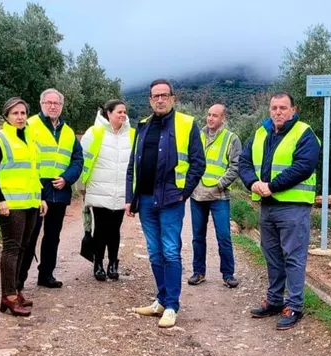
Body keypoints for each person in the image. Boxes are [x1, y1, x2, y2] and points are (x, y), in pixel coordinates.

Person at [125, 79, 206, 328]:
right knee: (154, 251)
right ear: (150, 100)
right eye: (155, 96)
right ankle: (160, 300)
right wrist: (130, 198)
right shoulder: (142, 126)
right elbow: (133, 166)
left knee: (170, 250)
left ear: (173, 98)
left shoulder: (186, 123)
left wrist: (184, 192)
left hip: (171, 199)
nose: (159, 99)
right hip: (146, 199)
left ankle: (172, 305)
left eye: (164, 95)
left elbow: (198, 162)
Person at [238, 91, 321, 330]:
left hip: (293, 207)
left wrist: (272, 186)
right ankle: (274, 301)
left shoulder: (304, 133)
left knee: (293, 257)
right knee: (272, 256)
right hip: (268, 207)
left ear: (293, 110)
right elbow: (244, 162)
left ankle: (294, 305)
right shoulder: (261, 132)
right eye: (274, 108)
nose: (278, 112)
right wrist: (252, 182)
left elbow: (303, 166)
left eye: (283, 108)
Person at [0, 97, 48, 317]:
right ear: (6, 116)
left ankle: (16, 291)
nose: (20, 117)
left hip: (30, 201)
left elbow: (33, 172)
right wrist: (0, 200)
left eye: (23, 113)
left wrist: (40, 197)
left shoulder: (30, 138)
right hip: (10, 204)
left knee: (24, 247)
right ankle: (8, 296)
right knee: (11, 248)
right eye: (15, 113)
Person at [17, 88, 84, 290]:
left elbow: (78, 159)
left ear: (62, 106)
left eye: (57, 103)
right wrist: (35, 184)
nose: (53, 106)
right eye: (49, 103)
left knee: (53, 236)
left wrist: (67, 178)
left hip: (60, 190)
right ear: (41, 104)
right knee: (29, 236)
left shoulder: (68, 131)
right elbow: (22, 156)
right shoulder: (29, 126)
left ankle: (46, 274)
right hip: (36, 190)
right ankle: (18, 280)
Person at [188, 103, 242, 289]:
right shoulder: (197, 136)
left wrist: (220, 185)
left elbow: (235, 166)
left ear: (223, 119)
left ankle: (228, 274)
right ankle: (198, 272)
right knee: (197, 236)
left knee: (224, 236)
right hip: (197, 194)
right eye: (209, 114)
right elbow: (190, 160)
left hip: (219, 196)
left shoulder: (231, 139)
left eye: (215, 115)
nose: (210, 118)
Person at [80, 99, 134, 281]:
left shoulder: (132, 135)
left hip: (121, 191)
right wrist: (82, 187)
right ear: (108, 113)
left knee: (115, 229)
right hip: (99, 188)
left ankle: (113, 263)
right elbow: (83, 161)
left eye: (124, 112)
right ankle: (98, 263)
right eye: (119, 112)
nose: (123, 115)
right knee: (101, 228)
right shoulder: (94, 133)